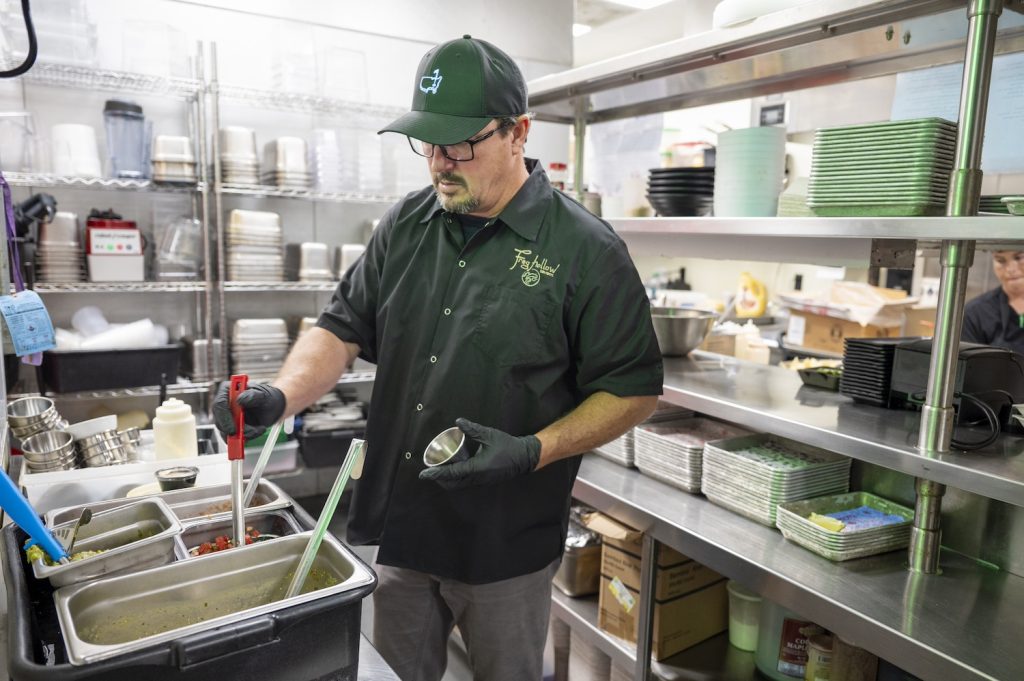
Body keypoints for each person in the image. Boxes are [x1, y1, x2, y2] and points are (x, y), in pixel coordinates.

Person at [213, 35, 663, 681]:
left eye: (459, 146)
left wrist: (532, 448)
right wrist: (281, 396)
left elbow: (634, 389)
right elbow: (340, 327)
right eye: (428, 144)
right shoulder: (406, 223)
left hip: (505, 540)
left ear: (518, 133)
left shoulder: (587, 249)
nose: (439, 164)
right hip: (404, 527)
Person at [962, 250, 1024, 354]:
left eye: (1019, 258)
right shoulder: (976, 313)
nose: (1010, 269)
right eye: (1000, 260)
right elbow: (968, 366)